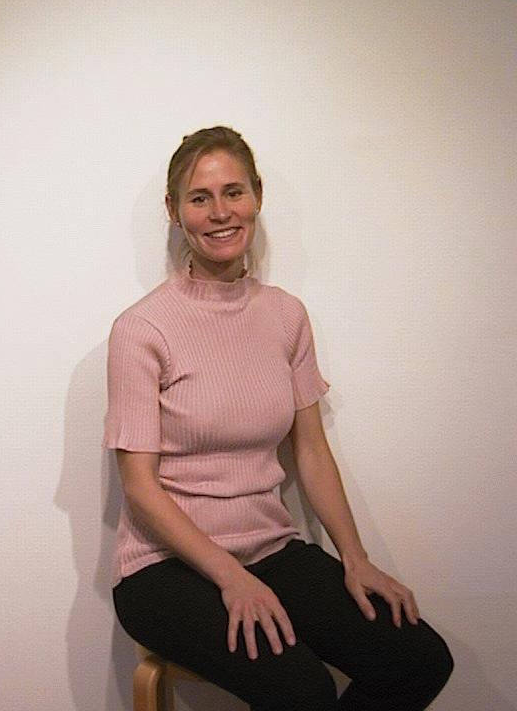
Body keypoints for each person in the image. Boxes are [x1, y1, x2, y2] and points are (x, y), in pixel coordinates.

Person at [104, 126, 453, 711]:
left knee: (418, 660)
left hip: (269, 548)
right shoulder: (142, 329)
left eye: (233, 192)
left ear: (257, 197)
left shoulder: (286, 316)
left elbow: (310, 450)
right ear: (173, 210)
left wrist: (355, 557)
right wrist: (230, 576)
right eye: (199, 198)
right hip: (163, 569)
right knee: (303, 690)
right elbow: (140, 487)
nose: (220, 213)